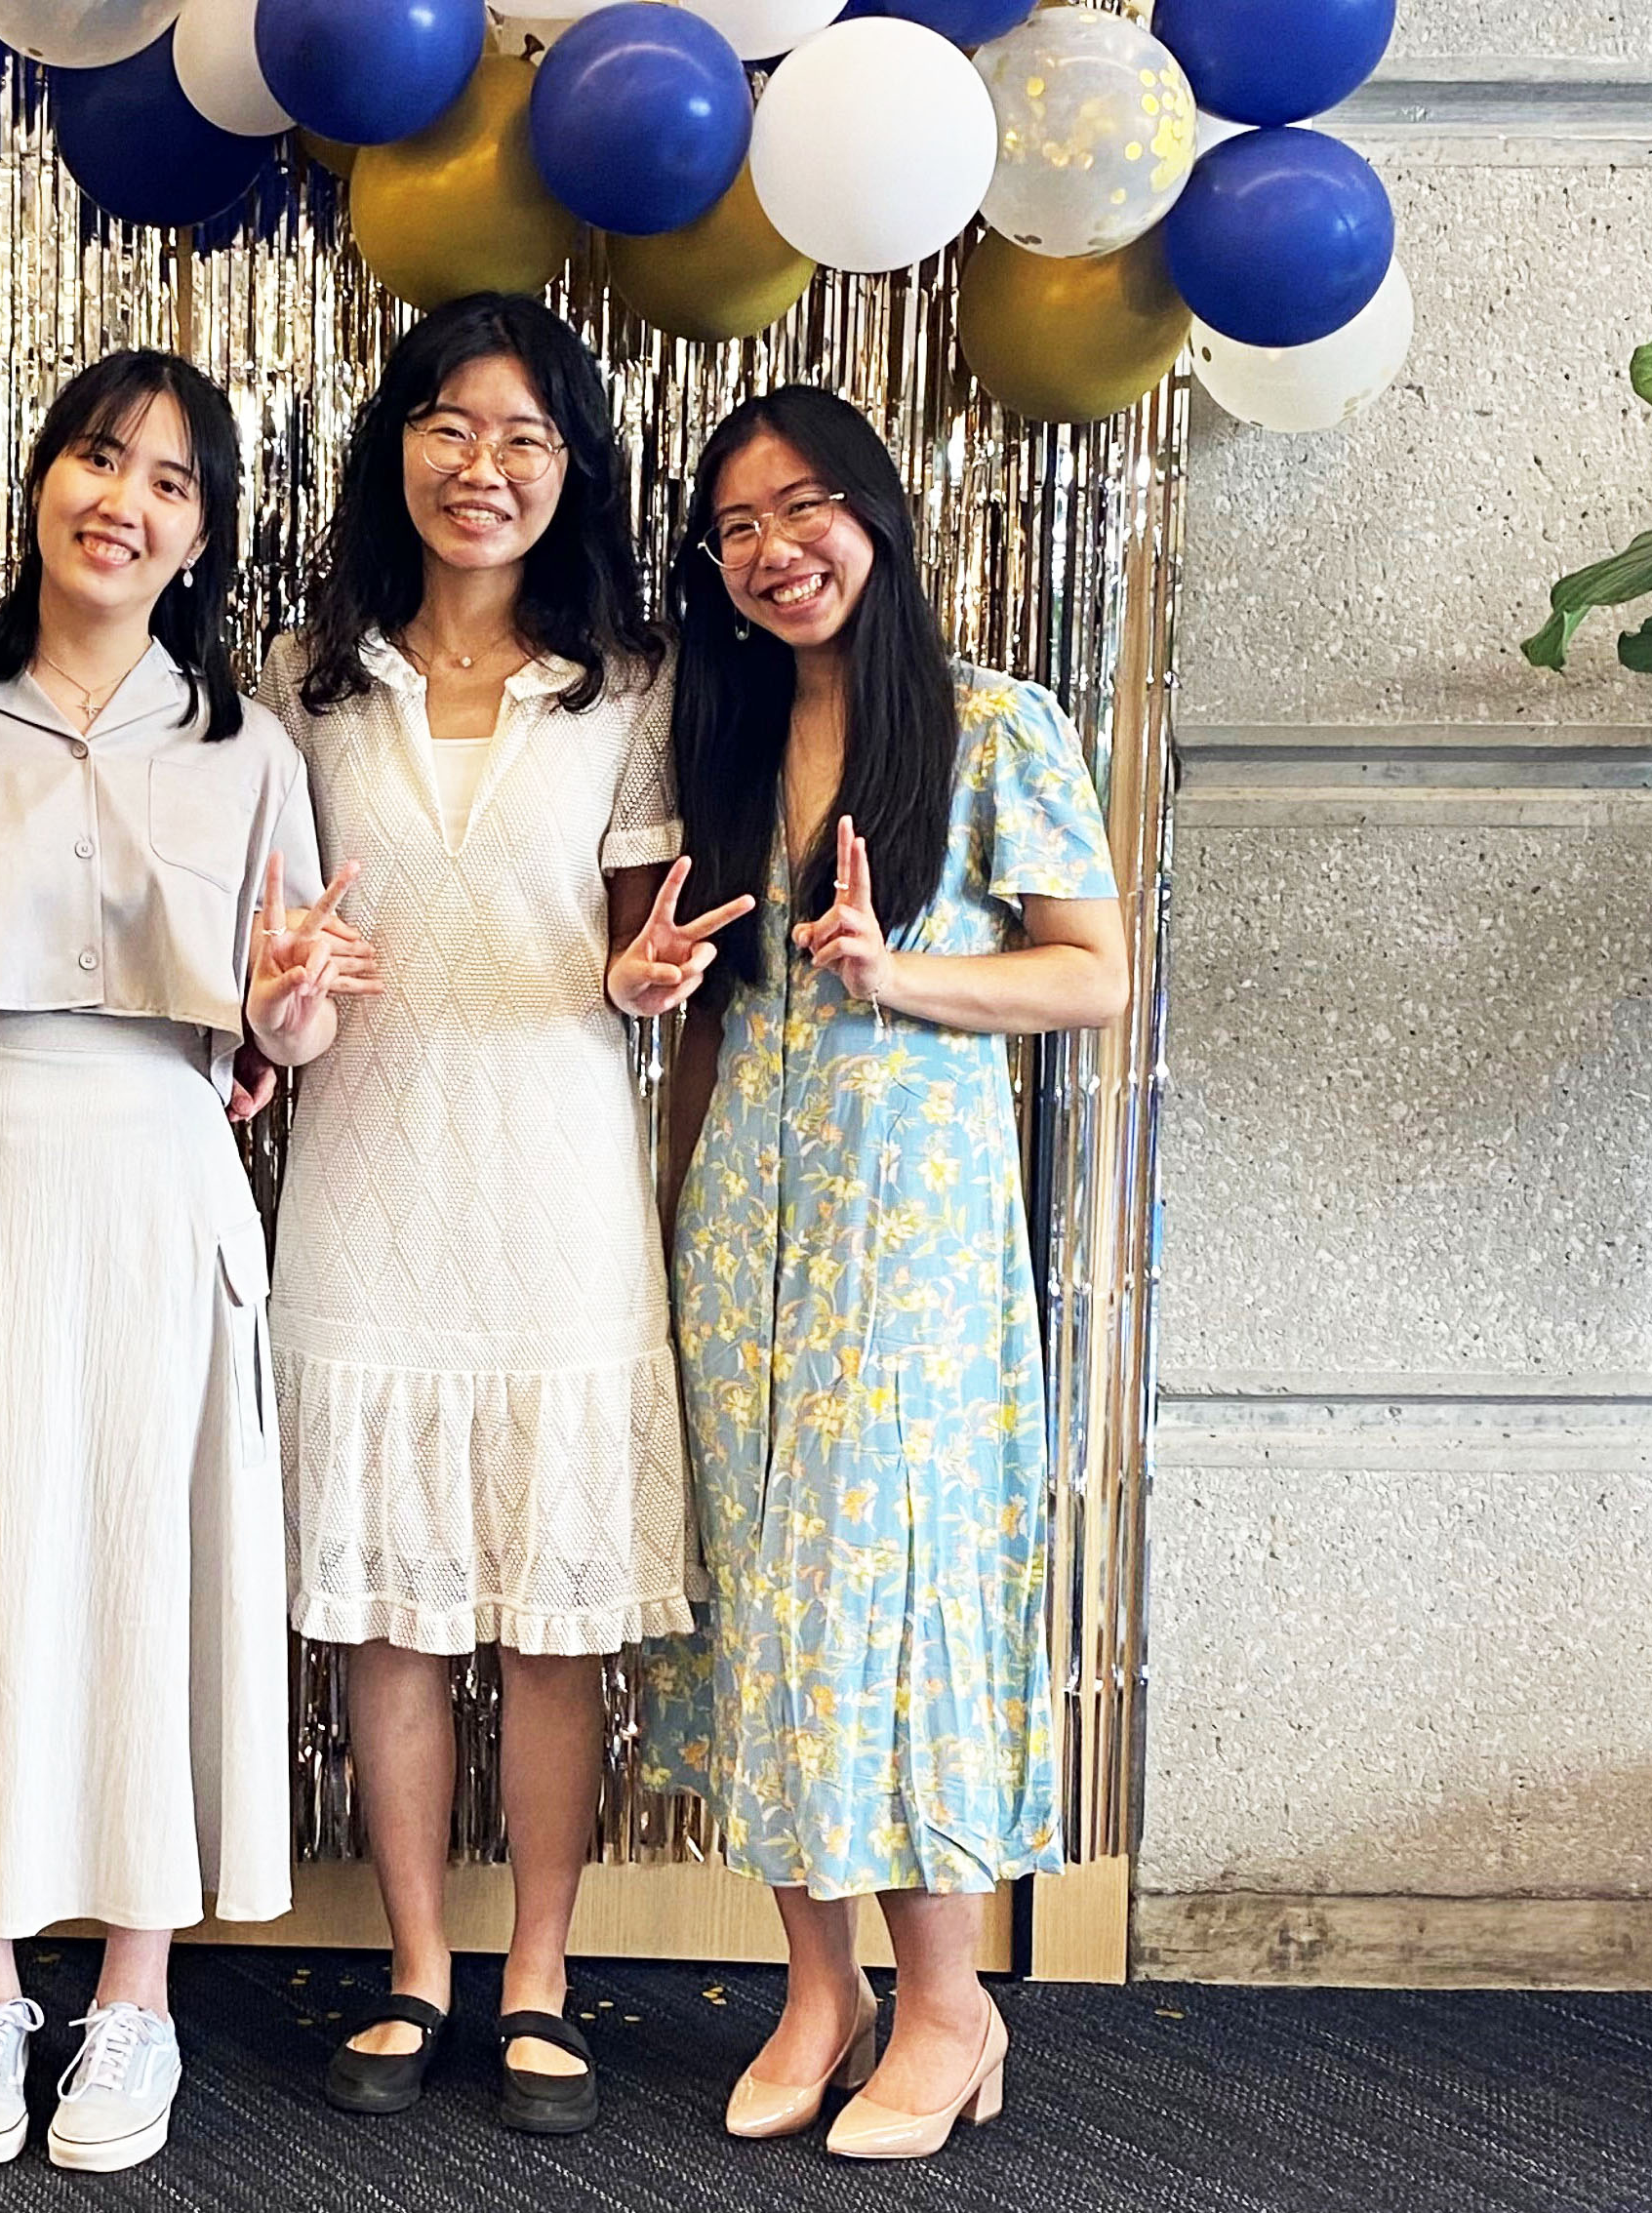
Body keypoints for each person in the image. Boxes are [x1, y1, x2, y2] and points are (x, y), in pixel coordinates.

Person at [0, 349, 373, 2177]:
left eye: (172, 482)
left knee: (146, 1569)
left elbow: (290, 1031)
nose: (125, 499)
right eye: (98, 459)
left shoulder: (249, 748)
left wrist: (289, 1005)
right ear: (41, 481)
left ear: (204, 531)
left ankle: (131, 2002)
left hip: (163, 1177)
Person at [254, 292, 743, 2136]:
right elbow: (271, 941)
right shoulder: (309, 678)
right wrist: (274, 981)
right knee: (390, 1619)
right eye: (455, 426)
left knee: (552, 1627)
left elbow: (645, 928)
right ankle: (412, 1967)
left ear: (572, 473)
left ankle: (539, 1974)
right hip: (367, 1181)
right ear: (400, 446)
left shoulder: (621, 683)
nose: (487, 467)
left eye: (529, 438)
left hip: (554, 1188)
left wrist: (647, 987)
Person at [648, 385, 1129, 2161]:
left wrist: (903, 975)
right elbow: (706, 1022)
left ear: (877, 513)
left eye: (805, 509)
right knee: (763, 1594)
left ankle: (948, 2001)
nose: (776, 553)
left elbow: (1090, 977)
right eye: (738, 530)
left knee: (889, 1592)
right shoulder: (719, 739)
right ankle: (817, 1987)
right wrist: (656, 1029)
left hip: (907, 1242)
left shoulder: (1000, 728)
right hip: (739, 1234)